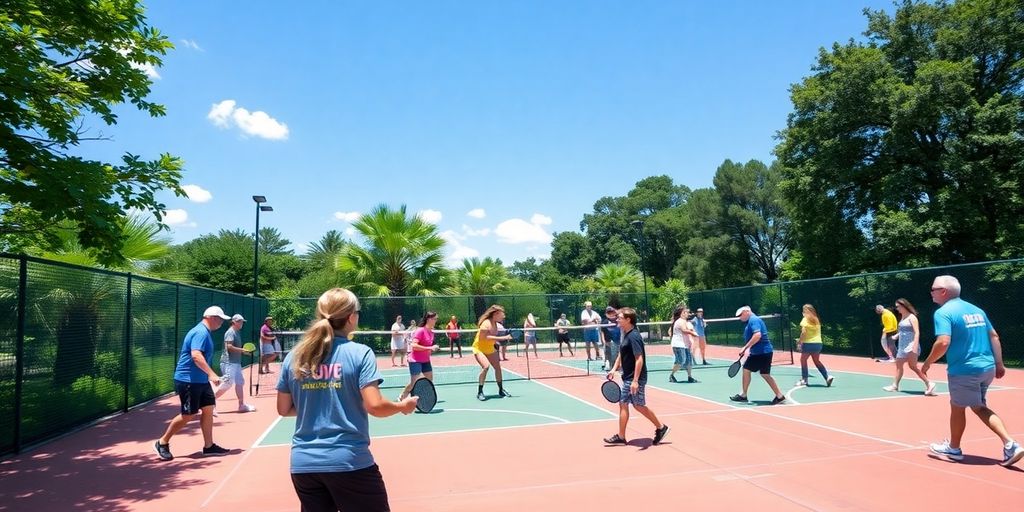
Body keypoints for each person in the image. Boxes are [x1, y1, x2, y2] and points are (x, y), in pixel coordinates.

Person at [276, 288, 417, 511]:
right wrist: (403, 406)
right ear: (351, 317)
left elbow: (284, 409)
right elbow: (376, 406)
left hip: (303, 465)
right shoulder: (360, 353)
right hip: (348, 461)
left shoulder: (295, 356)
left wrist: (319, 402)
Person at [922, 275, 1023, 467]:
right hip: (986, 368)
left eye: (933, 289)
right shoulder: (976, 310)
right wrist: (999, 363)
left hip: (964, 370)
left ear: (944, 291)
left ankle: (1010, 445)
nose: (931, 292)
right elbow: (994, 335)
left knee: (973, 408)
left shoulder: (943, 313)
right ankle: (954, 447)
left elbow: (943, 341)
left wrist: (928, 362)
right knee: (967, 406)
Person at [154, 306, 232, 461]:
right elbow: (196, 355)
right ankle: (162, 442)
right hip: (188, 380)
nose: (222, 322)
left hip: (200, 381)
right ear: (211, 317)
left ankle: (208, 446)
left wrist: (209, 375)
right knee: (189, 414)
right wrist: (211, 374)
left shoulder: (205, 332)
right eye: (220, 319)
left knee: (209, 409)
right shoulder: (201, 332)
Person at [604, 307, 669, 446]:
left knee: (636, 405)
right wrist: (613, 369)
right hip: (628, 376)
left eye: (620, 317)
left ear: (628, 320)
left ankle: (661, 427)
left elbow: (639, 359)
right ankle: (622, 436)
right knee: (628, 404)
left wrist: (635, 381)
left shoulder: (634, 336)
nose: (617, 319)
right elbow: (622, 354)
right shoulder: (626, 334)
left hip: (635, 378)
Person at [730, 306, 785, 405]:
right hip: (759, 352)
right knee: (752, 371)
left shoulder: (753, 320)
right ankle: (744, 395)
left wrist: (745, 348)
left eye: (741, 315)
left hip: (762, 352)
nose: (740, 317)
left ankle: (779, 396)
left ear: (747, 312)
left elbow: (757, 335)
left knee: (760, 373)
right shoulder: (752, 320)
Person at [884, 298, 935, 395]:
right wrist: (896, 335)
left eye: (898, 306)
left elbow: (917, 332)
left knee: (912, 366)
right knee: (898, 365)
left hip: (911, 346)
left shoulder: (912, 317)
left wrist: (914, 346)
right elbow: (903, 330)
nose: (897, 308)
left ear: (904, 306)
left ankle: (929, 383)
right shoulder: (903, 316)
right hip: (902, 346)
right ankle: (895, 385)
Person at [214, 314, 257, 414]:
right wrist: (242, 350)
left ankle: (241, 405)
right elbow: (229, 347)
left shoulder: (237, 332)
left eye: (242, 322)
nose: (242, 323)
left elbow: (235, 348)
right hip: (228, 362)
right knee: (228, 383)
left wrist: (244, 352)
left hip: (236, 362)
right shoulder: (230, 332)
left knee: (240, 382)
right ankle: (209, 401)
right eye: (240, 322)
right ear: (234, 322)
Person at [472, 305, 514, 401]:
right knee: (486, 367)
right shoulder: (485, 324)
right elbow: (483, 338)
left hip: (490, 348)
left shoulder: (496, 324)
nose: (503, 317)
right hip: (479, 349)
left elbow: (492, 338)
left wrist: (499, 342)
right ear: (495, 314)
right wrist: (503, 338)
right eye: (501, 315)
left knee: (498, 368)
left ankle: (500, 389)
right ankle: (480, 392)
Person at [399, 312, 440, 401]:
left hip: (425, 360)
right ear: (429, 319)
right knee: (414, 382)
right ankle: (403, 395)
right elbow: (414, 346)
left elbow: (428, 347)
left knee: (429, 381)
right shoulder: (420, 330)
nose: (436, 321)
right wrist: (430, 348)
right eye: (435, 319)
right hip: (415, 360)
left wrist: (433, 348)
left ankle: (421, 398)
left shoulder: (431, 332)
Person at [795, 305, 833, 388]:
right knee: (816, 361)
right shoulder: (816, 319)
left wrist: (800, 342)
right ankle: (827, 377)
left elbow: (804, 332)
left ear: (805, 311)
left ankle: (804, 379)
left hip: (808, 343)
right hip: (818, 344)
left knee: (803, 360)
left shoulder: (805, 319)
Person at [668, 305, 697, 383]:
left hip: (686, 345)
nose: (688, 313)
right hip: (678, 344)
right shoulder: (680, 321)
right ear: (682, 313)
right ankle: (672, 375)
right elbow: (684, 330)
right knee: (681, 361)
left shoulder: (686, 322)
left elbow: (688, 330)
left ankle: (690, 377)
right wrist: (693, 333)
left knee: (689, 361)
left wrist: (691, 341)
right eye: (686, 312)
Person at [600, 306, 621, 372]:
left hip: (618, 341)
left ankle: (617, 366)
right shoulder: (604, 322)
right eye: (609, 312)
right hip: (608, 342)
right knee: (608, 354)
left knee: (617, 355)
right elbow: (602, 332)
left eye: (612, 312)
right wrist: (603, 341)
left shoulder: (619, 320)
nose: (611, 314)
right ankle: (609, 364)